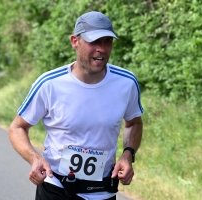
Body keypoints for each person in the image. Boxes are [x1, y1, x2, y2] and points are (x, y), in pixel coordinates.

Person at [9, 11, 143, 200]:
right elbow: (17, 127)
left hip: (102, 192)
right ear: (75, 41)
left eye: (107, 41)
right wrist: (34, 158)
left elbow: (134, 123)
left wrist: (128, 154)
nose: (101, 49)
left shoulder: (126, 83)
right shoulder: (49, 83)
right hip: (55, 187)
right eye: (94, 41)